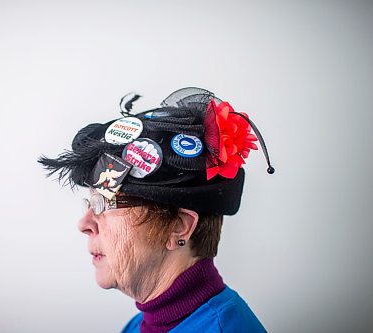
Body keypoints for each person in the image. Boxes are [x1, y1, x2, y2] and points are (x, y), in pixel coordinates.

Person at [38, 87, 274, 332]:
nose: (84, 224)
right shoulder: (137, 326)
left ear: (178, 227)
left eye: (103, 204)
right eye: (90, 204)